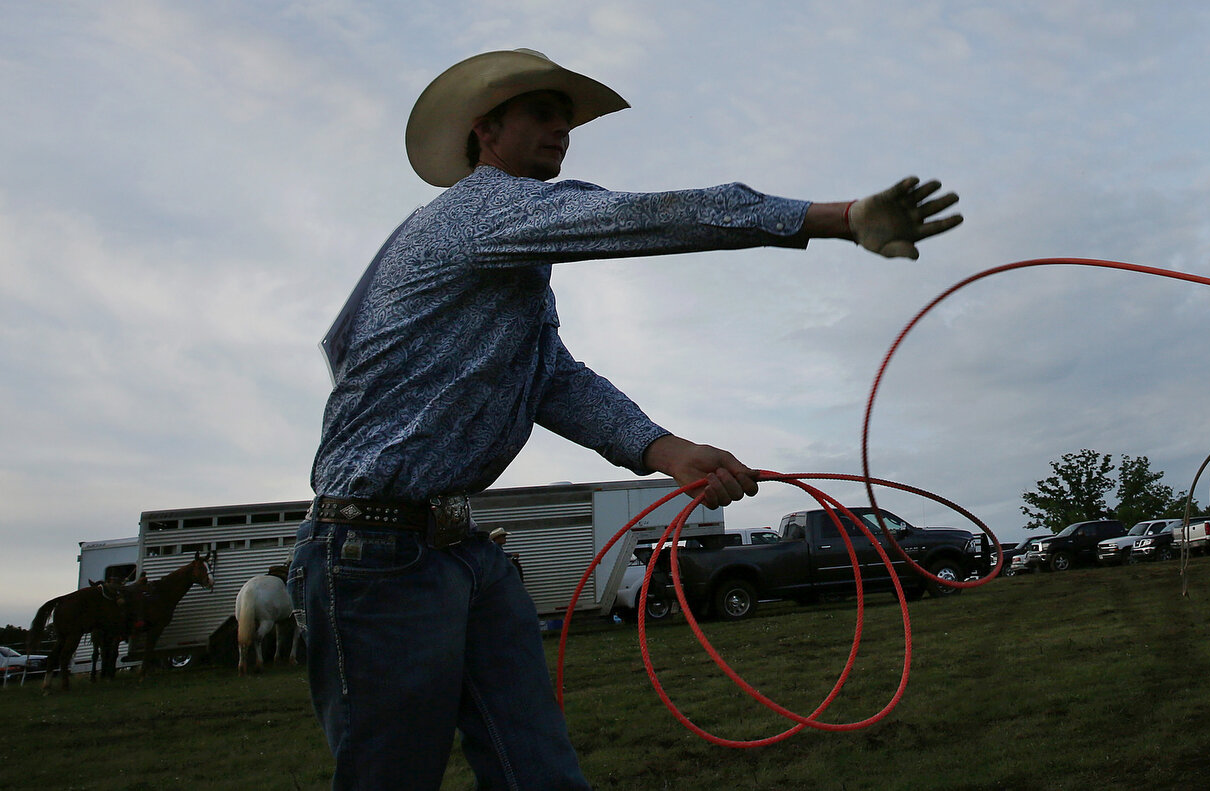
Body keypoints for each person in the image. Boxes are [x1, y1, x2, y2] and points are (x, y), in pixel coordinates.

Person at [293, 48, 962, 790]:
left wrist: (664, 448)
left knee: (539, 770)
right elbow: (639, 216)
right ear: (486, 130)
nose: (563, 130)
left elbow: (552, 379)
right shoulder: (481, 212)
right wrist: (835, 218)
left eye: (568, 119)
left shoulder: (514, 261)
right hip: (374, 551)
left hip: (455, 549)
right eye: (543, 114)